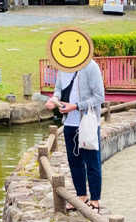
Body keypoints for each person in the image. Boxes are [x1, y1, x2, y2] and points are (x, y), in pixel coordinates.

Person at [44, 59, 105, 212]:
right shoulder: (63, 67)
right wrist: (54, 100)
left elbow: (99, 97)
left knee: (92, 162)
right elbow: (58, 89)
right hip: (69, 123)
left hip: (87, 122)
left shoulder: (91, 66)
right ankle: (81, 196)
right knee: (74, 162)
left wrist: (77, 106)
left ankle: (95, 200)